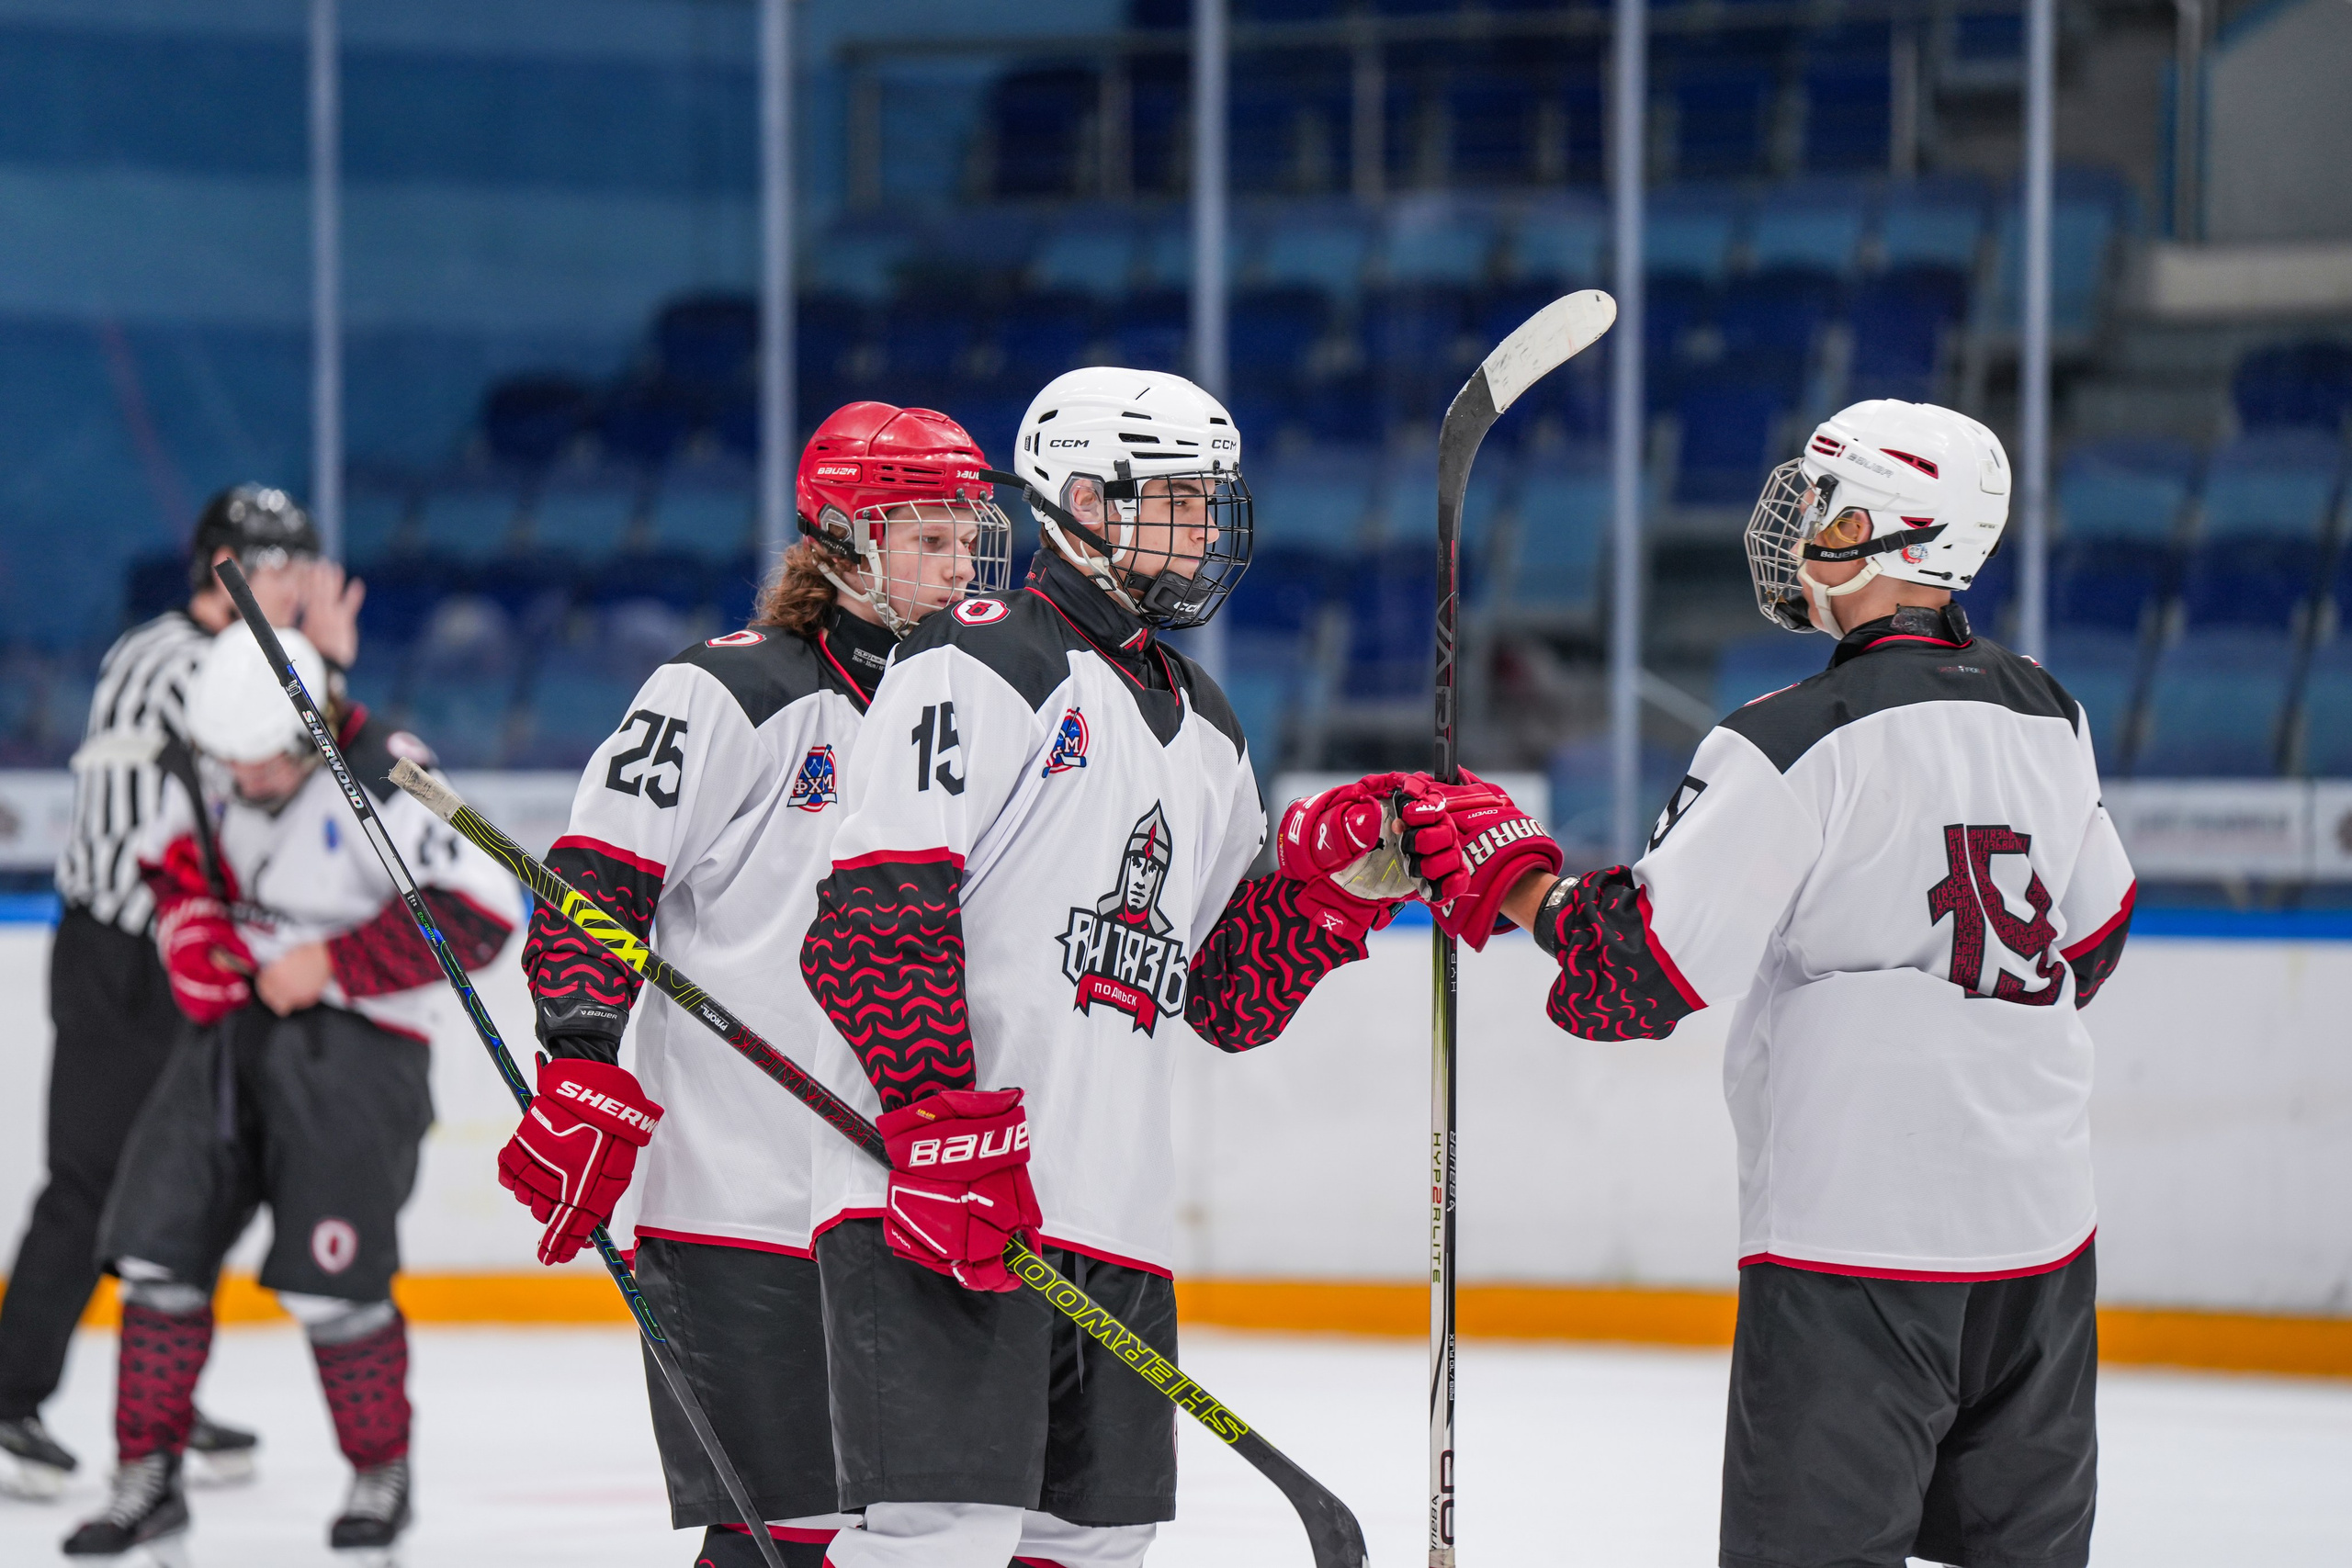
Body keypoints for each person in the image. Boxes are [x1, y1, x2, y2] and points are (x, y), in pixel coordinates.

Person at [1410, 400, 2136, 1568]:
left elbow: (1631, 975)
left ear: (1891, 536)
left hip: (1857, 1244)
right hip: (2042, 1244)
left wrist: (1512, 881)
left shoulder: (1790, 738)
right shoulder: (2048, 712)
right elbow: (2093, 940)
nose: (1797, 524)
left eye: (1823, 503)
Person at [794, 367, 1460, 1568]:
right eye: (1186, 498)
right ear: (1088, 498)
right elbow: (872, 917)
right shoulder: (973, 659)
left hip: (1109, 1210)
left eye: (1213, 499)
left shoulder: (1208, 725)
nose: (1211, 526)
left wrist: (1344, 886)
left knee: (1097, 1543)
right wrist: (943, 1122)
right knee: (936, 1540)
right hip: (936, 1191)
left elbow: (1224, 994)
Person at [503, 403, 1013, 1567]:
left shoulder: (982, 710)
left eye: (964, 537)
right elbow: (593, 887)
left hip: (910, 1195)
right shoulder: (724, 693)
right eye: (924, 538)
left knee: (914, 1537)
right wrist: (580, 1067)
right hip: (741, 1197)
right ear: (840, 536)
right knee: (771, 1539)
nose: (955, 565)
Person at [62, 624, 520, 1564]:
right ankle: (145, 1476)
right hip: (228, 1038)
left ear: (310, 737)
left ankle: (377, 1471)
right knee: (156, 1251)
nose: (243, 782)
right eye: (227, 764)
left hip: (358, 1052)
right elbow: (170, 861)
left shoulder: (389, 773)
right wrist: (187, 927)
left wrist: (336, 961)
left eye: (262, 764)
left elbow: (484, 915)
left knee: (332, 1282)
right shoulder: (211, 760)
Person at [0, 485, 361, 1501]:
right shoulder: (167, 655)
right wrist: (328, 664)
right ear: (226, 570)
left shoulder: (238, 661)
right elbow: (267, 728)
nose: (297, 588)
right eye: (280, 567)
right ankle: (9, 1396)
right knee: (89, 1183)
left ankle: (162, 1393)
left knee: (180, 1189)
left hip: (180, 960)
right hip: (120, 957)